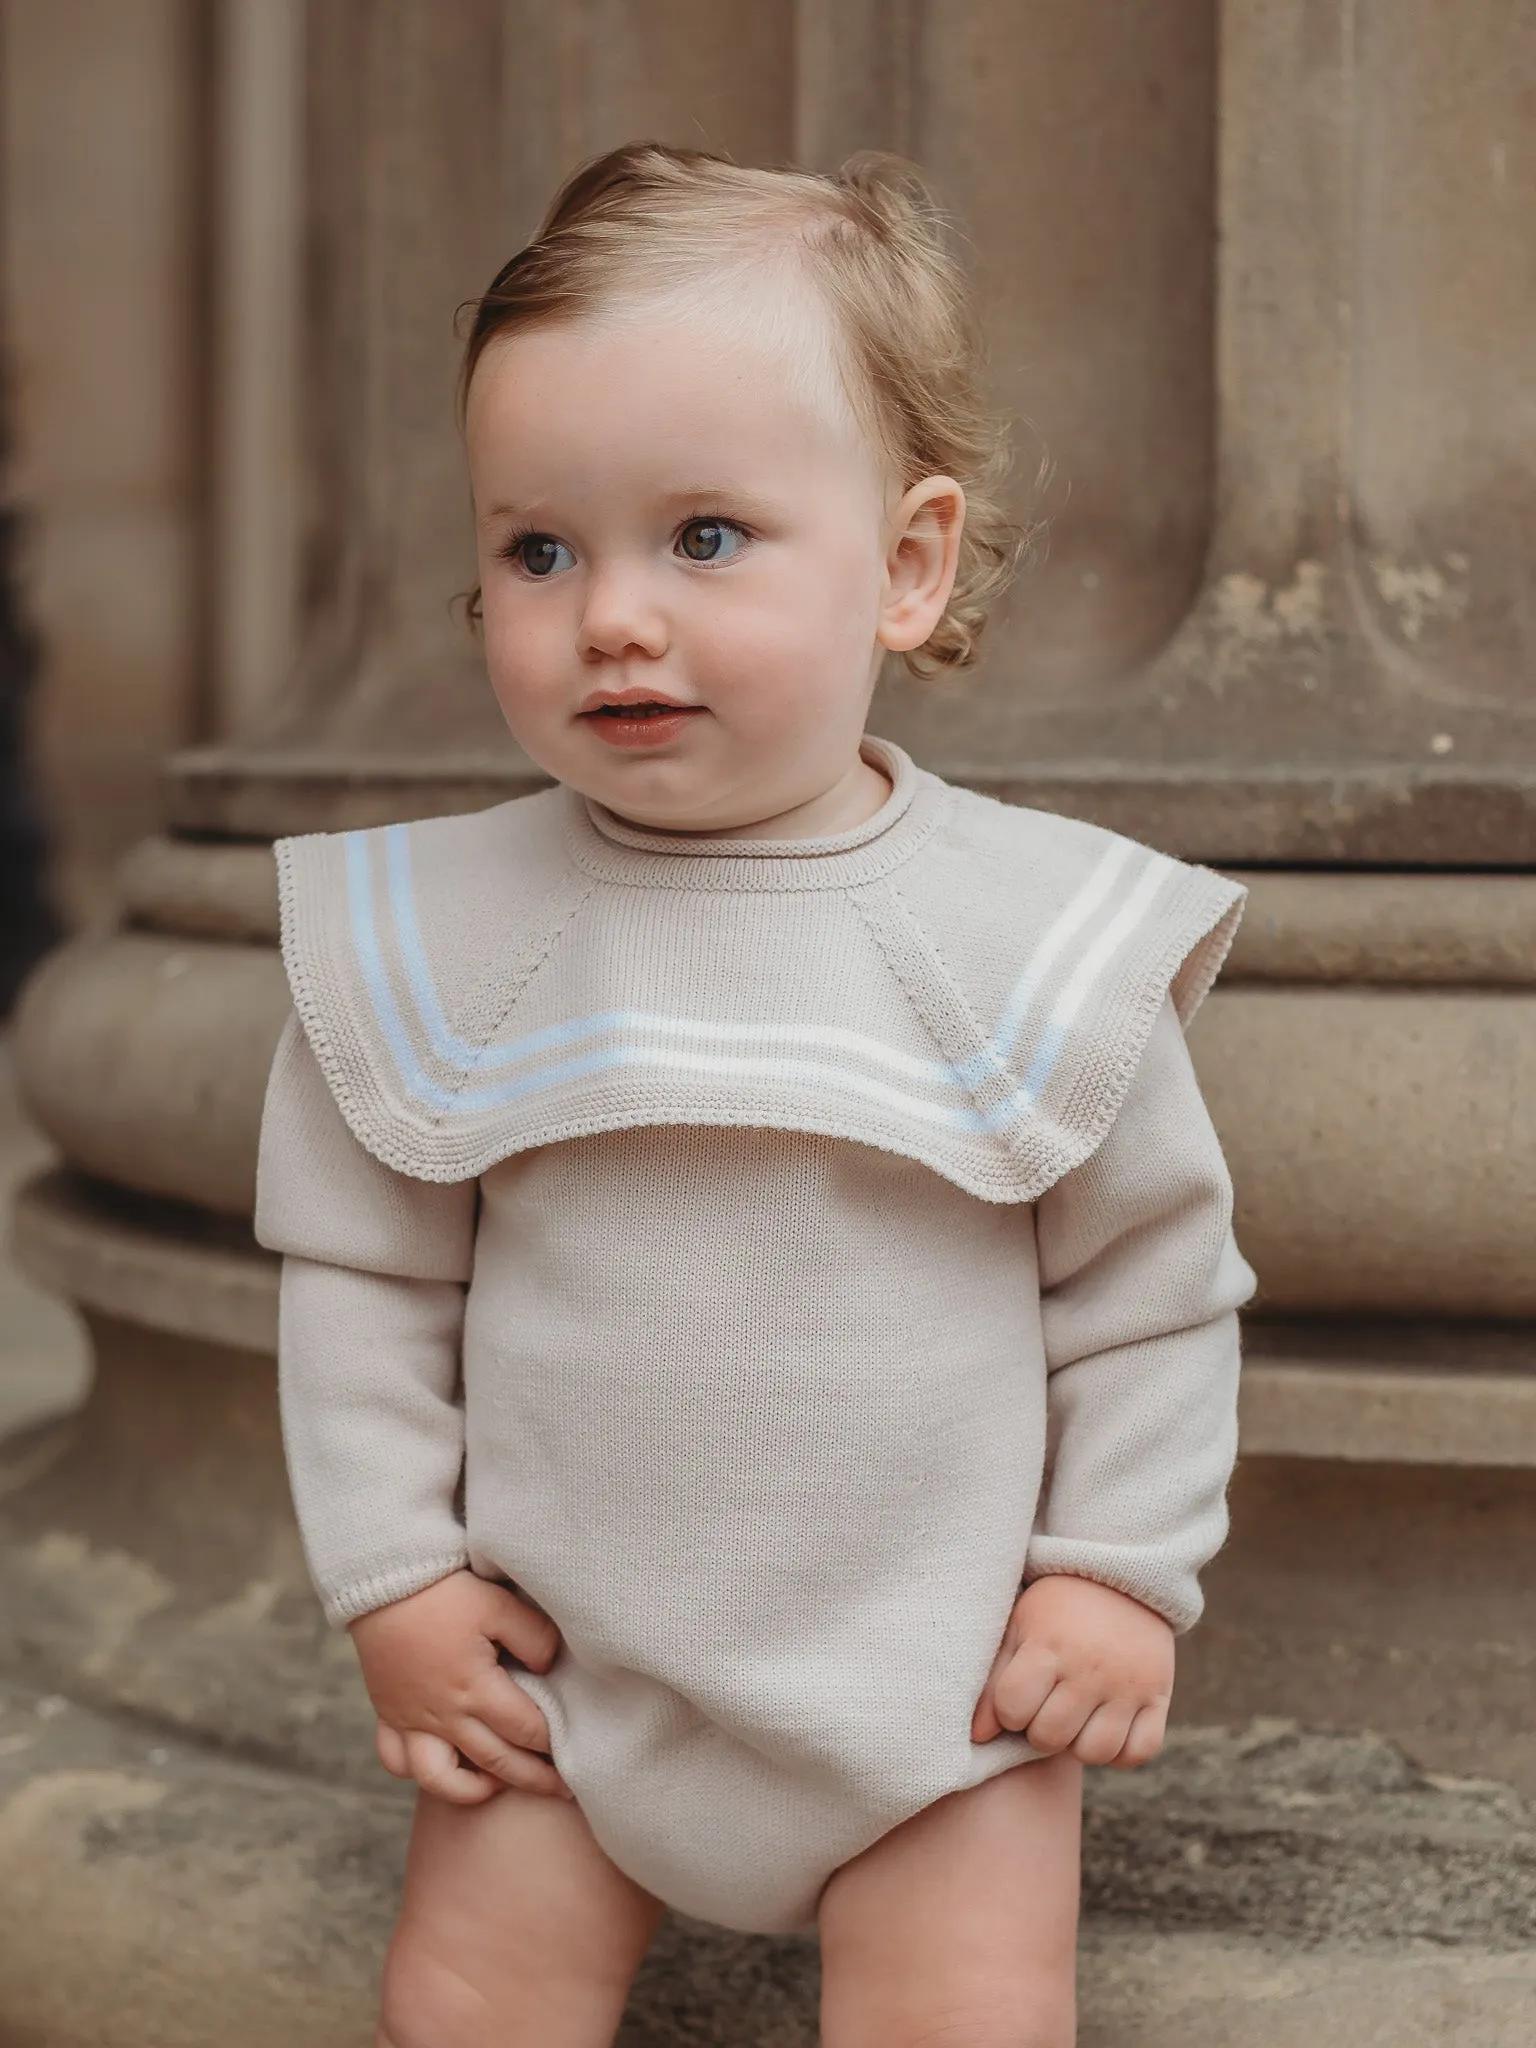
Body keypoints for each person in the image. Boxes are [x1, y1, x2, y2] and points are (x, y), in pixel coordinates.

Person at [255, 144, 1255, 2048]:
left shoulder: (1026, 936)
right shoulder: (448, 934)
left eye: (702, 537)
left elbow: (1149, 1291)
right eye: (539, 549)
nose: (612, 615)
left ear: (907, 563)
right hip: (567, 1682)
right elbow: (366, 1280)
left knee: (964, 2017)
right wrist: (395, 1573)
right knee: (463, 2001)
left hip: (943, 1698)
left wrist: (1117, 1580)